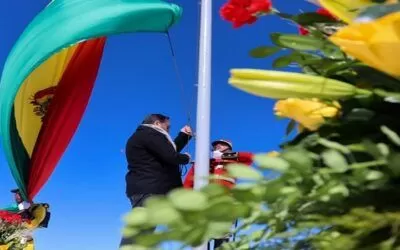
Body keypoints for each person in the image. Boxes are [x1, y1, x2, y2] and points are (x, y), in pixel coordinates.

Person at [120, 113, 192, 247]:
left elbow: (166, 150)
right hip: (150, 191)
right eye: (168, 127)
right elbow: (170, 155)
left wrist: (183, 136)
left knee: (143, 233)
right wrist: (186, 158)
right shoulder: (150, 134)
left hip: (147, 190)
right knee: (139, 234)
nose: (168, 130)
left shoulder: (146, 135)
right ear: (157, 124)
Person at [183, 139, 253, 249]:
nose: (217, 146)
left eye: (221, 145)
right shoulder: (205, 163)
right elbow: (189, 181)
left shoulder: (235, 161)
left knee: (222, 238)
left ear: (228, 147)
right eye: (215, 146)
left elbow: (249, 157)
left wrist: (226, 155)